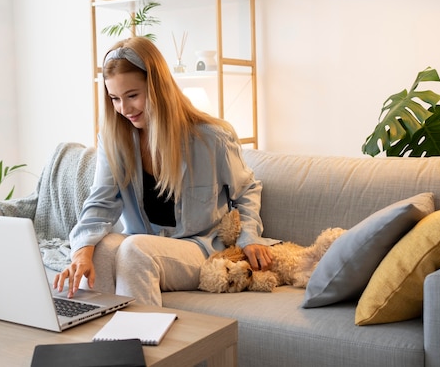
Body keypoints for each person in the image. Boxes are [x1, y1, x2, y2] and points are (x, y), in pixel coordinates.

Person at [53, 36, 278, 306]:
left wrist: (249, 237)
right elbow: (100, 201)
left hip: (200, 248)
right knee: (100, 250)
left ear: (157, 87)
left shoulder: (213, 138)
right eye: (115, 98)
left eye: (132, 96)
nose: (124, 109)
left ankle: (141, 343)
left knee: (135, 249)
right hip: (143, 243)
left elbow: (247, 190)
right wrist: (81, 251)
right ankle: (102, 341)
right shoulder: (114, 140)